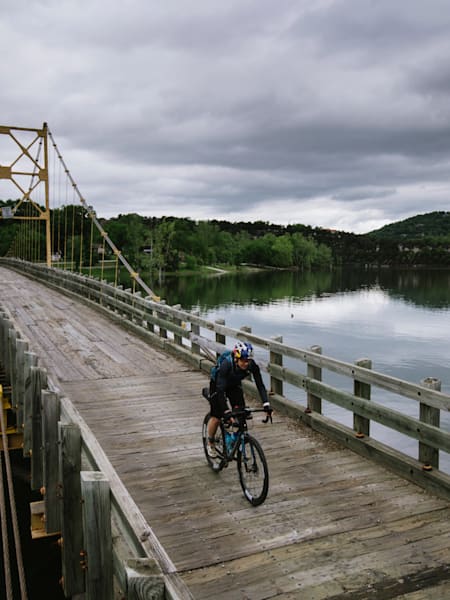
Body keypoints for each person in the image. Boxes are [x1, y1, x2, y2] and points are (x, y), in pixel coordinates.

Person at [206, 341, 272, 458]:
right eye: (243, 360)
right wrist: (226, 411)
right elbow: (220, 390)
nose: (246, 363)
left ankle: (237, 443)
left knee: (241, 414)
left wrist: (266, 404)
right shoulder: (227, 365)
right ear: (236, 358)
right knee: (217, 416)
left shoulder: (252, 365)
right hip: (218, 385)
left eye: (248, 360)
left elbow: (260, 385)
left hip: (234, 385)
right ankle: (210, 442)